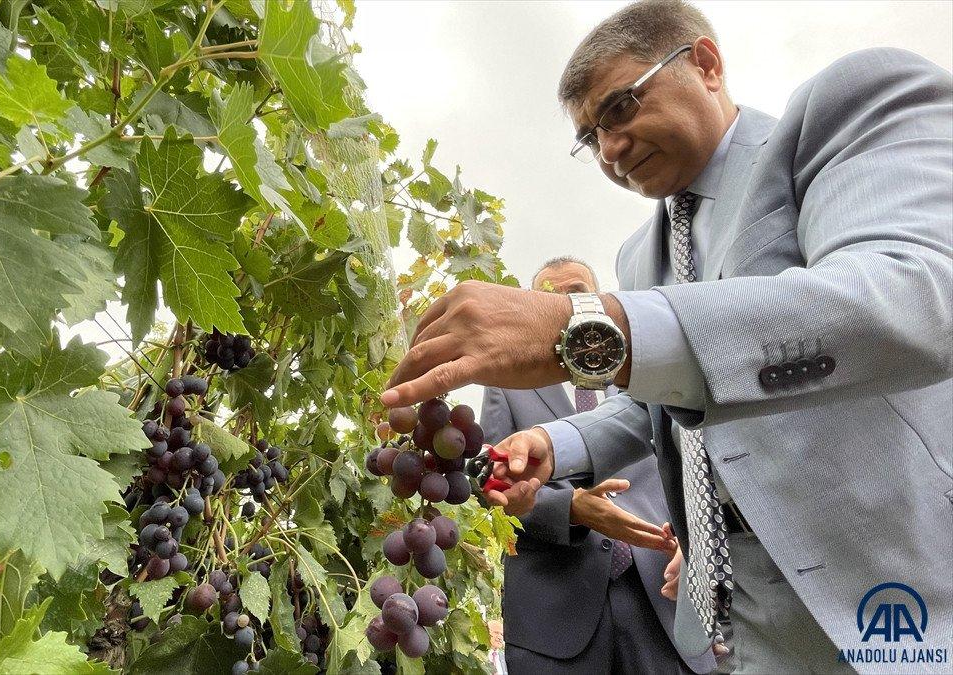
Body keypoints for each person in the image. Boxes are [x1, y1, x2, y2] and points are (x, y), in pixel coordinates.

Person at [380, 1, 952, 672]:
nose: (611, 150)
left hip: (899, 585)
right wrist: (550, 442)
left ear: (705, 63)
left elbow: (910, 298)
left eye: (620, 108)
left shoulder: (844, 112)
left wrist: (587, 329)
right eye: (592, 137)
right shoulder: (638, 257)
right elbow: (654, 402)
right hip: (744, 627)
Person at [481, 256, 716, 674]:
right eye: (548, 296)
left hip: (661, 591)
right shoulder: (507, 385)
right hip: (554, 611)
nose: (565, 303)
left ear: (599, 300)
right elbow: (489, 484)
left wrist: (694, 541)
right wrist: (567, 508)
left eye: (576, 291)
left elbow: (694, 464)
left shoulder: (648, 376)